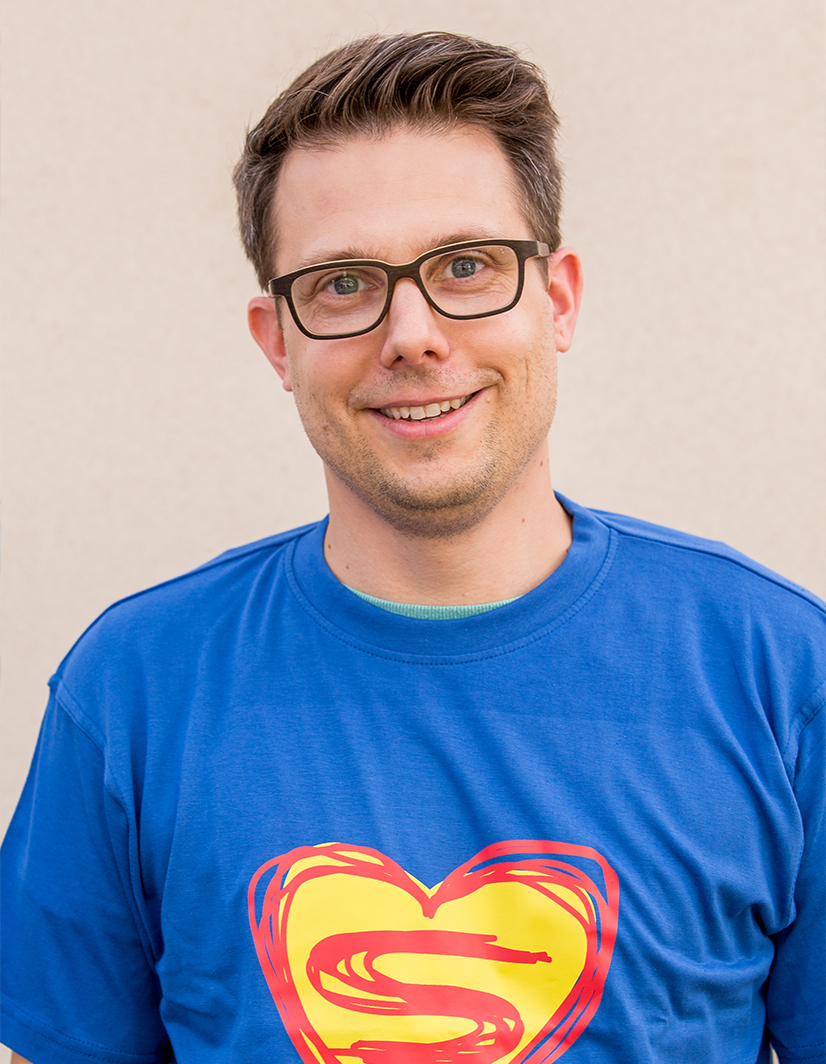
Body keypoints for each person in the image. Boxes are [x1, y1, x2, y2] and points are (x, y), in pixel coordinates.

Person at [1, 31, 823, 1064]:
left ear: (557, 300)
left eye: (466, 266)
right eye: (342, 283)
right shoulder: (134, 690)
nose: (413, 334)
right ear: (277, 340)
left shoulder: (779, 675)